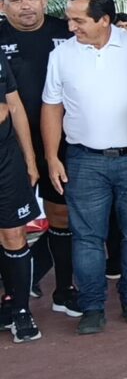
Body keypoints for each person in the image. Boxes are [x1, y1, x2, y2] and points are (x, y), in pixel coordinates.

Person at [39, 0, 127, 334]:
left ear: (104, 20)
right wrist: (52, 158)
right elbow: (52, 107)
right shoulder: (62, 55)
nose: (70, 26)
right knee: (86, 238)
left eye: (79, 20)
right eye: (69, 19)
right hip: (84, 159)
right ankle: (91, 306)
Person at [0, 0, 78, 319]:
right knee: (9, 227)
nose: (26, 6)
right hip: (9, 149)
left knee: (61, 215)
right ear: (2, 5)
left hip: (60, 142)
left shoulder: (67, 31)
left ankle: (64, 290)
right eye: (15, 0)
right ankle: (13, 298)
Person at [0, 41, 42, 342]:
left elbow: (13, 106)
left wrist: (29, 158)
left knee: (14, 234)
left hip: (6, 159)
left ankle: (21, 311)